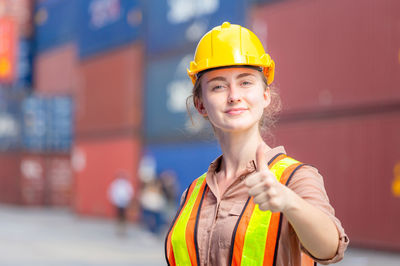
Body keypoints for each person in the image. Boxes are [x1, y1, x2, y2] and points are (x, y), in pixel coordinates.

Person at [165, 22, 349, 265]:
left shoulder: (295, 178)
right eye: (218, 86)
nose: (233, 95)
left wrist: (289, 201)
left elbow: (331, 248)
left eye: (245, 82)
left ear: (265, 96)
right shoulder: (192, 193)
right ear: (200, 105)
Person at [108, 171, 134, 236]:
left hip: (125, 203)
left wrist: (128, 200)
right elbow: (112, 192)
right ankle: (119, 230)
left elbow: (130, 193)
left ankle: (123, 230)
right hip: (118, 203)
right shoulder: (115, 183)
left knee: (124, 217)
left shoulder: (127, 184)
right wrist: (114, 200)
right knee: (119, 217)